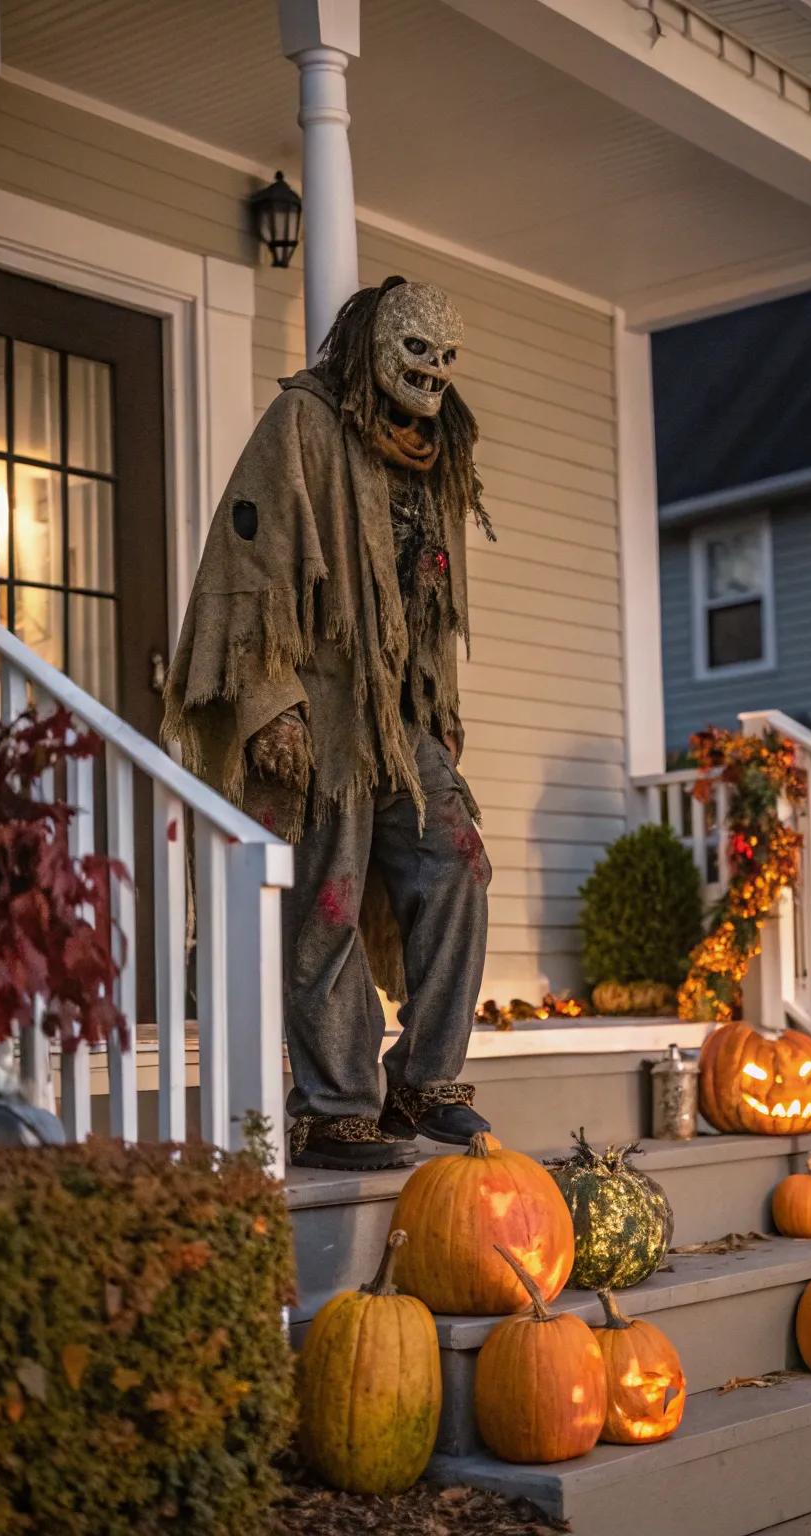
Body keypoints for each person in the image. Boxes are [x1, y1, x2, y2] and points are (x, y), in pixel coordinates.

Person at [162, 276, 495, 1169]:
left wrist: (442, 710)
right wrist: (271, 702)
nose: (434, 375)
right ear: (375, 346)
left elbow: (435, 599)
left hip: (399, 716)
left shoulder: (439, 448)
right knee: (328, 901)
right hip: (317, 708)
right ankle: (334, 1104)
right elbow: (247, 567)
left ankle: (424, 1080)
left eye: (447, 359)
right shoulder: (304, 423)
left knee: (456, 858)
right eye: (417, 352)